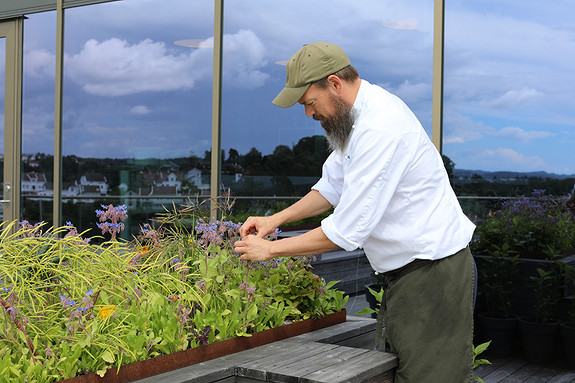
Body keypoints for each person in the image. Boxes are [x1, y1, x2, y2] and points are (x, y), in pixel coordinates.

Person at [234, 42, 476, 383]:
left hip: (433, 275)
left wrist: (271, 249)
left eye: (309, 103)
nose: (308, 114)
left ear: (334, 84)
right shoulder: (355, 119)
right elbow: (331, 187)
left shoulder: (379, 128)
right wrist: (275, 221)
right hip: (410, 275)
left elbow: (346, 231)